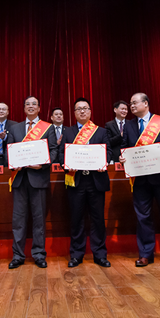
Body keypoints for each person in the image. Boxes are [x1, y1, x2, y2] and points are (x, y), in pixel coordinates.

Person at [119, 93, 160, 267]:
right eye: (130, 104)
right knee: (143, 217)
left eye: (134, 103)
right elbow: (124, 147)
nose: (131, 106)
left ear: (146, 103)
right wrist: (122, 157)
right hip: (140, 179)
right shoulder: (129, 125)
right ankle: (145, 254)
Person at [58, 98, 112, 268]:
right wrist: (67, 164)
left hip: (96, 180)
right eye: (78, 109)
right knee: (76, 219)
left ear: (90, 111)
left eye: (85, 108)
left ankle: (100, 254)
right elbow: (61, 154)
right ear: (74, 113)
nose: (82, 111)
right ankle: (76, 255)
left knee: (98, 219)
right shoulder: (68, 132)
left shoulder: (101, 131)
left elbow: (109, 152)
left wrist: (104, 162)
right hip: (76, 180)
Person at [6, 96, 58, 269]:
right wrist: (12, 163)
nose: (30, 106)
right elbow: (8, 151)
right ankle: (17, 256)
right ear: (23, 108)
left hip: (39, 179)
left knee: (39, 219)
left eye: (34, 104)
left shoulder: (48, 128)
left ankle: (39, 254)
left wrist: (42, 164)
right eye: (27, 104)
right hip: (19, 179)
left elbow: (53, 150)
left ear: (39, 108)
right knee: (18, 220)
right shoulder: (15, 128)